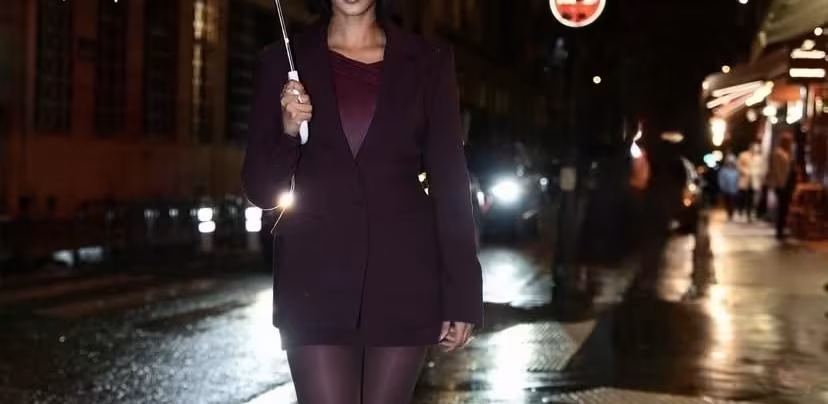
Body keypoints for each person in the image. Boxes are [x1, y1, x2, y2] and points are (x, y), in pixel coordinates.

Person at [240, 1, 483, 403]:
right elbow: (262, 191)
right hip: (313, 281)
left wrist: (463, 294)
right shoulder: (281, 61)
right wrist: (287, 130)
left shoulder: (429, 62)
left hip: (404, 277)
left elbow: (450, 182)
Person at [768, 132, 796, 240]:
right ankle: (779, 230)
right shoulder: (778, 153)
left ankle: (782, 229)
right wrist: (781, 184)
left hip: (787, 184)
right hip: (782, 184)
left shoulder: (788, 153)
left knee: (785, 208)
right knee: (781, 207)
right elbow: (778, 170)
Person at [737, 142, 764, 221]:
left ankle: (748, 213)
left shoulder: (758, 157)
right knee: (742, 196)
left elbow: (759, 168)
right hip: (745, 179)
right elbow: (739, 165)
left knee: (751, 198)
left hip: (753, 180)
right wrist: (744, 171)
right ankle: (741, 210)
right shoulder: (743, 155)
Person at [718, 155, 740, 221]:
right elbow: (721, 179)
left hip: (734, 190)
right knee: (727, 202)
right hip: (726, 190)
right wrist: (722, 187)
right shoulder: (723, 170)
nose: (730, 163)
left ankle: (731, 214)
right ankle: (728, 213)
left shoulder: (736, 171)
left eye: (731, 162)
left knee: (733, 203)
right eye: (729, 162)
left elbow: (738, 180)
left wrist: (738, 187)